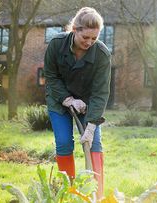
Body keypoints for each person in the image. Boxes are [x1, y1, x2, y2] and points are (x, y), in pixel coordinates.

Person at [44, 7, 111, 200]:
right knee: (64, 143)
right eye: (85, 38)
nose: (89, 42)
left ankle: (96, 195)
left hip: (88, 103)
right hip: (59, 100)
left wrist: (91, 126)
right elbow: (51, 76)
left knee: (94, 143)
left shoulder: (102, 55)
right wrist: (68, 99)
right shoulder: (57, 45)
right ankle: (69, 192)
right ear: (75, 30)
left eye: (94, 38)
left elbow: (100, 93)